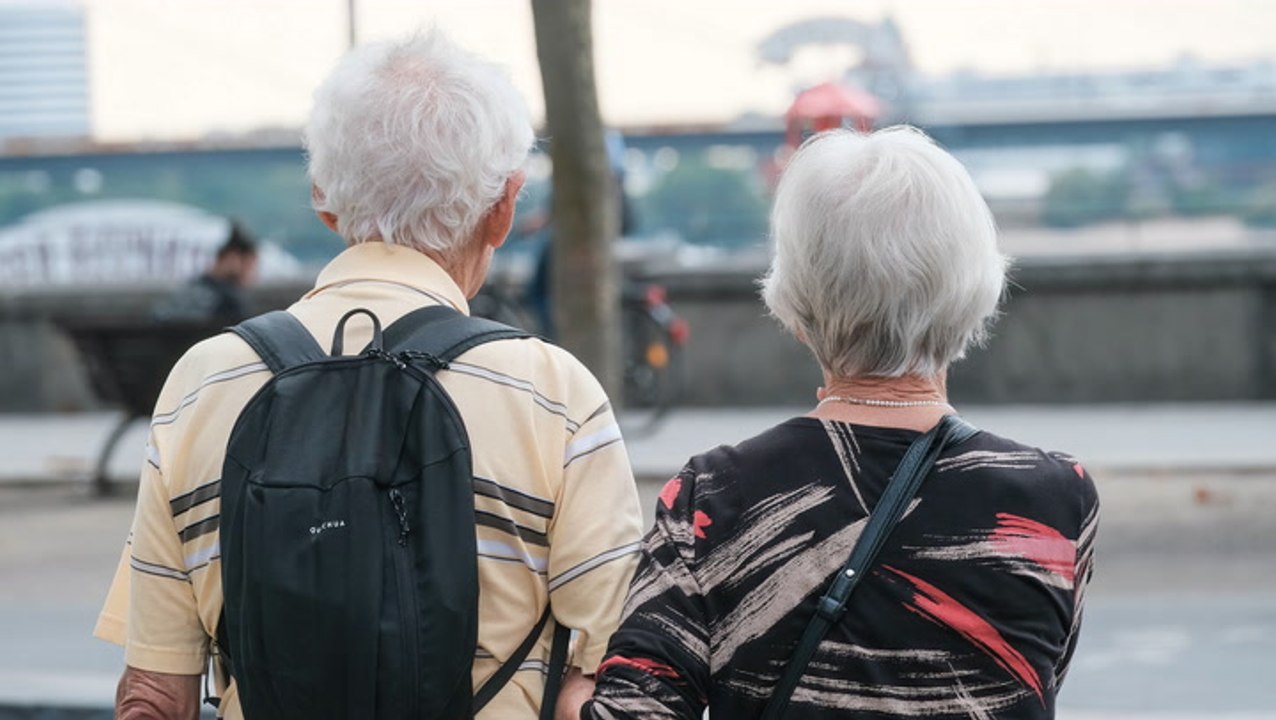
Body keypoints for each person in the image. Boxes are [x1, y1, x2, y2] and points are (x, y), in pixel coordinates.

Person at [95, 31, 644, 719]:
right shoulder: (554, 396)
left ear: (324, 199)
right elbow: (613, 679)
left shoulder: (203, 386)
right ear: (505, 208)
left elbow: (155, 694)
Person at [560, 127, 1100, 719]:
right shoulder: (1057, 500)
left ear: (795, 304)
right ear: (976, 291)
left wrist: (572, 689)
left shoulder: (711, 498)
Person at [152, 220, 259, 323]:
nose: (252, 273)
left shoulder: (193, 288)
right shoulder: (228, 300)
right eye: (249, 265)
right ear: (232, 258)